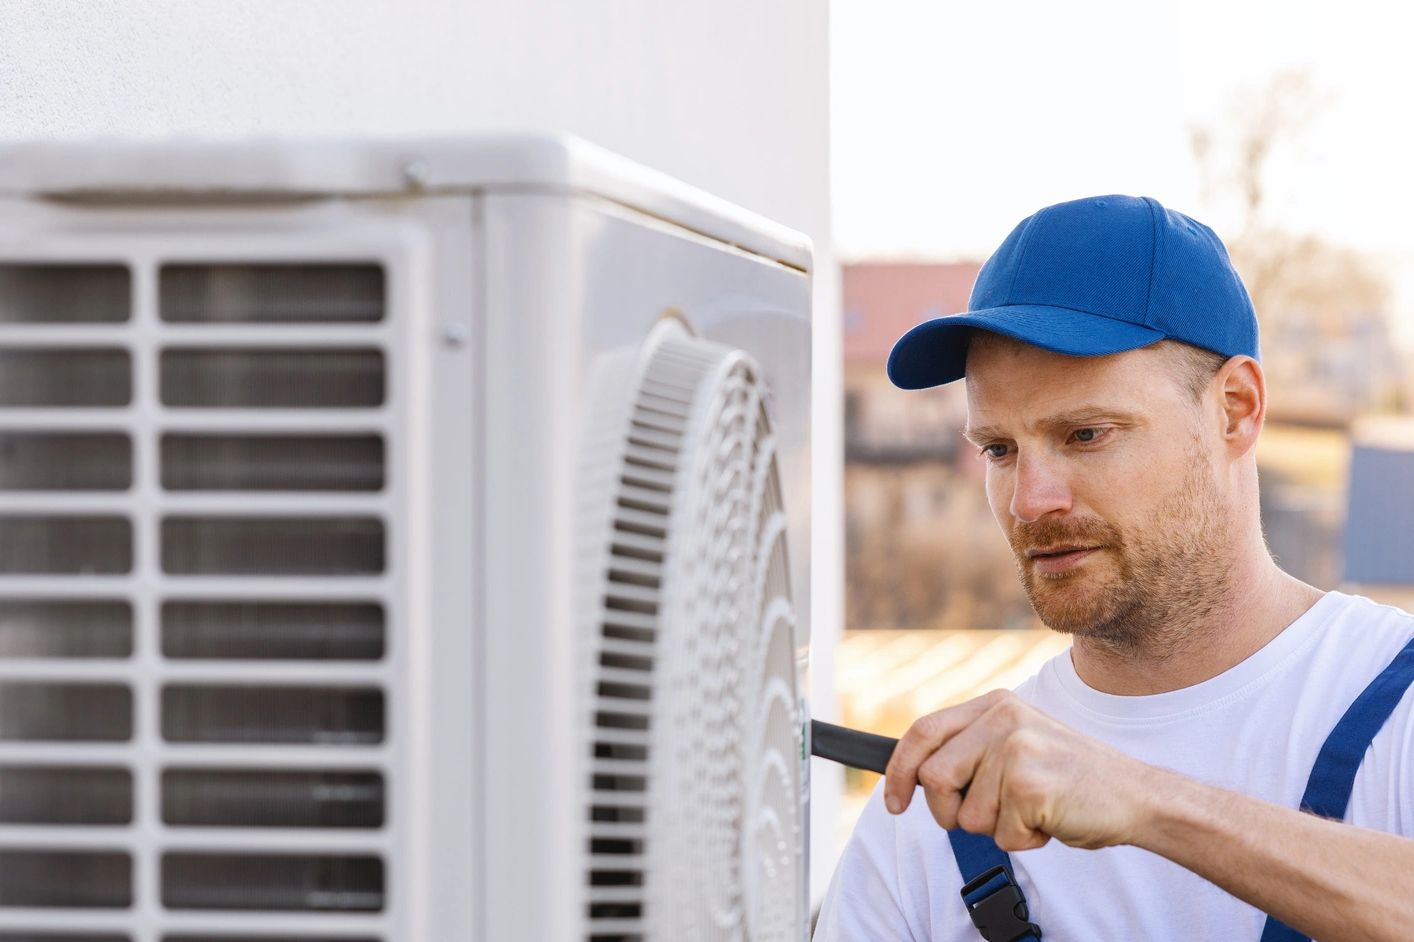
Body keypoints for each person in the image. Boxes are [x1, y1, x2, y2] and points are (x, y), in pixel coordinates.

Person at [812, 195, 1414, 942]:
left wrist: (1142, 799)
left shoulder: (1396, 705)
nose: (1031, 501)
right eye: (999, 449)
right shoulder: (928, 820)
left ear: (1235, 408)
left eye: (1086, 433)